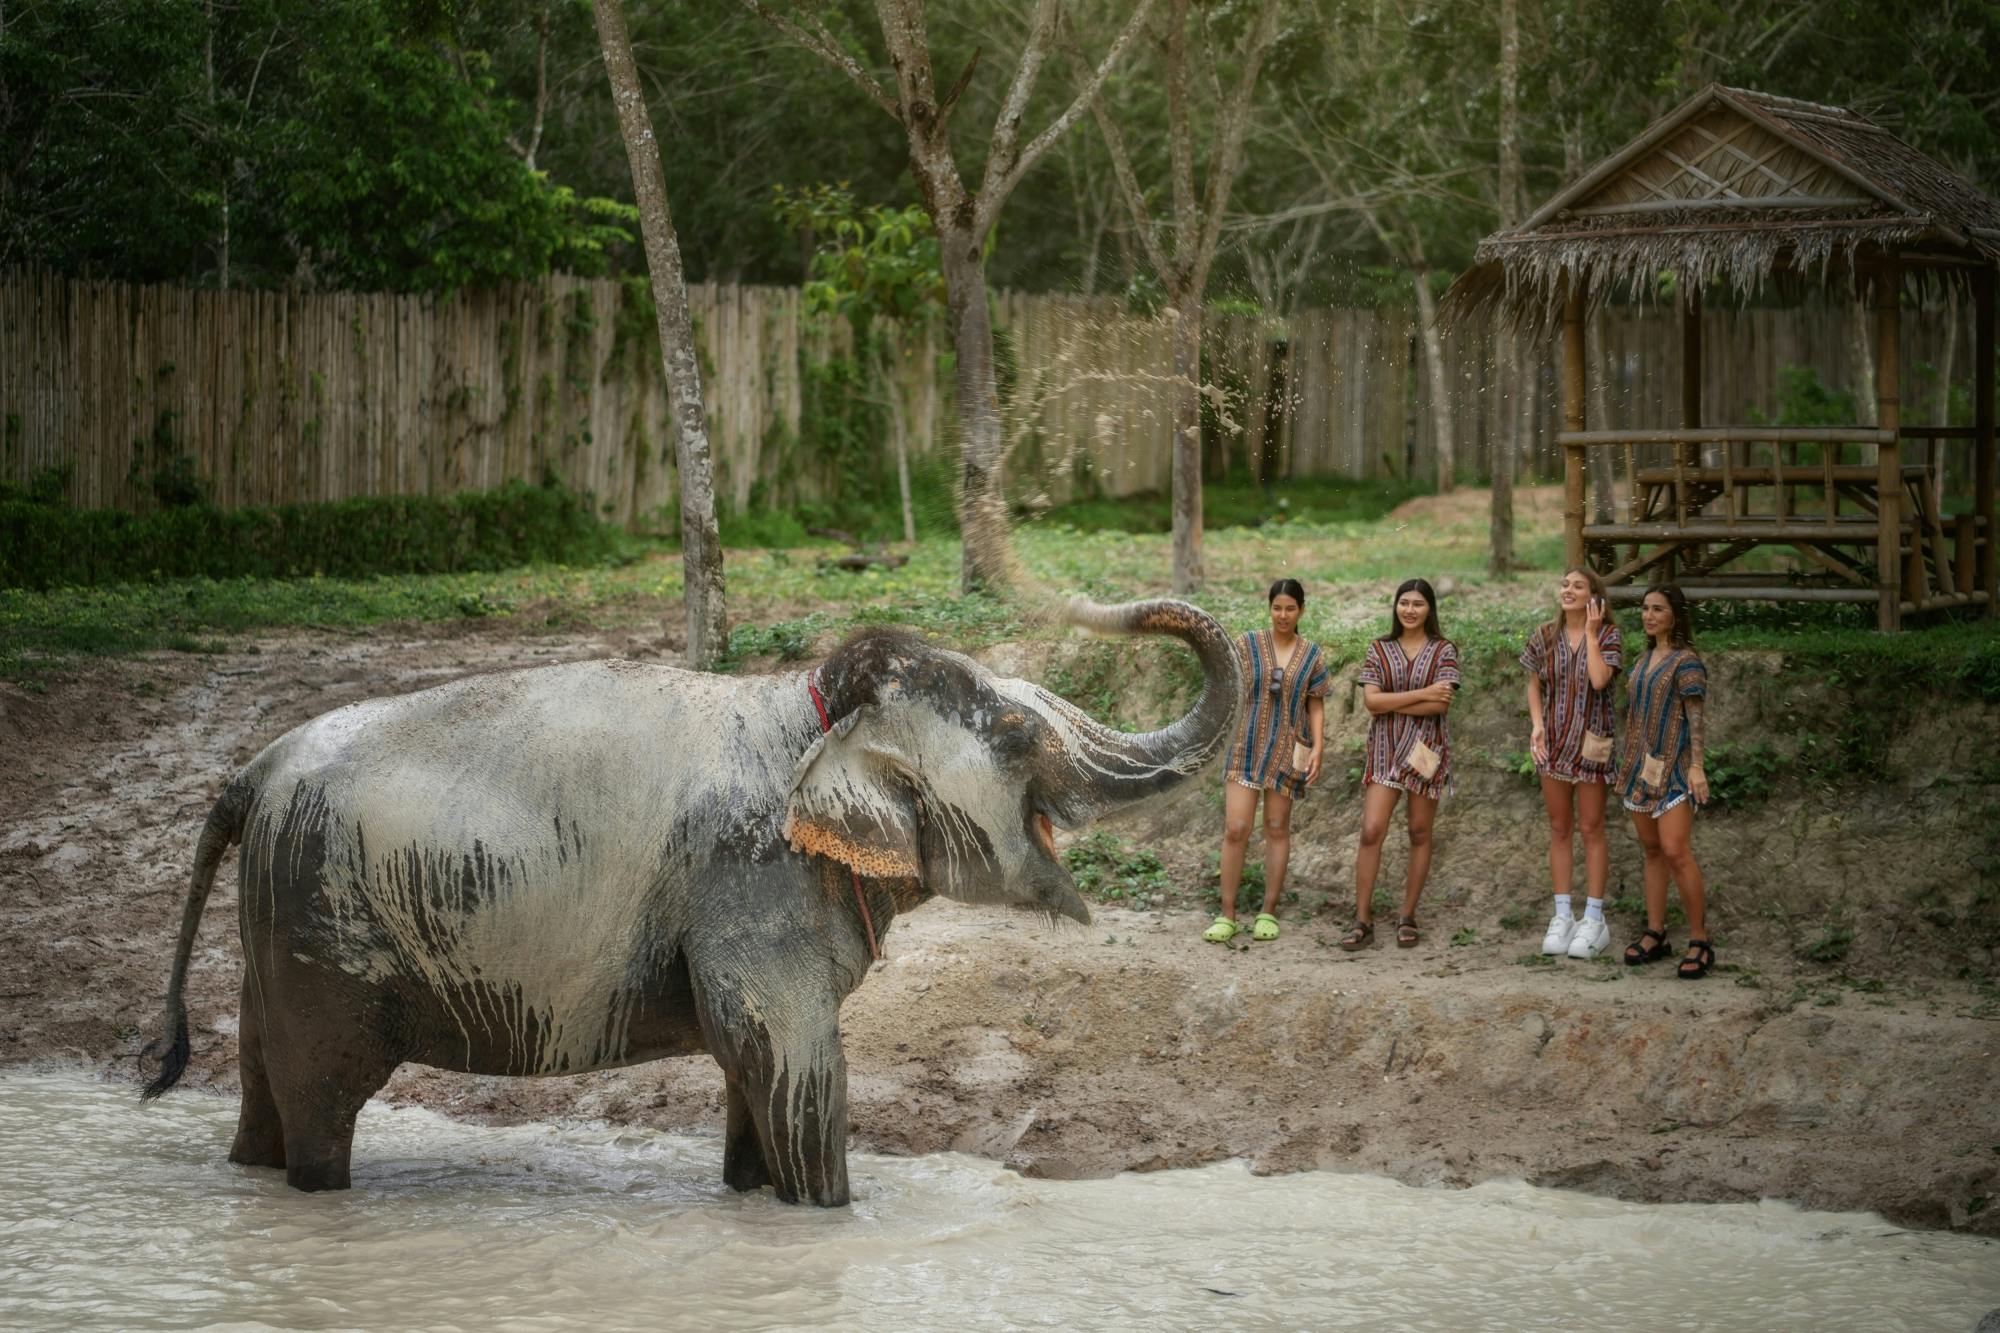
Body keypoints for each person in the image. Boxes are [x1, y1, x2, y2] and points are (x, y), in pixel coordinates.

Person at [1207, 578, 1329, 943]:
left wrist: (1320, 747)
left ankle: (1268, 911)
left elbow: (1316, 703)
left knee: (1277, 827)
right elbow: (1228, 687)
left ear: (1301, 610)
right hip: (1246, 745)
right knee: (1236, 828)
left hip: (1290, 748)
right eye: (1277, 607)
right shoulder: (1248, 645)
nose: (1283, 615)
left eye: (1291, 608)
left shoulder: (1311, 655)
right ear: (1269, 608)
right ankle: (1226, 914)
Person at [1340, 579, 1458, 952]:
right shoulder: (1380, 648)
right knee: (1372, 830)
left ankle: (1408, 915)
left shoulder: (1443, 650)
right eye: (1403, 603)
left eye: (1417, 604)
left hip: (1425, 751)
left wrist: (1393, 701)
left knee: (1420, 832)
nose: (1409, 610)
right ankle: (1363, 919)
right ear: (1396, 607)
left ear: (1429, 609)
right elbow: (1371, 704)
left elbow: (1441, 706)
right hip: (1385, 750)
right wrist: (1422, 693)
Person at [1521, 566, 1622, 960]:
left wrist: (1593, 633)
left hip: (1592, 744)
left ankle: (1594, 917)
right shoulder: (1545, 635)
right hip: (1555, 742)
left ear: (1594, 596)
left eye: (1578, 586)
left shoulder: (1609, 636)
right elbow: (1533, 684)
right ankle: (1563, 915)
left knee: (1591, 827)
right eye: (1565, 584)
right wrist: (1536, 725)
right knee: (1560, 828)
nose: (1568, 590)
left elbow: (1599, 680)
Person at [1616, 584, 1715, 979]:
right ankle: (1656, 932)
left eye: (1658, 609)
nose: (1649, 615)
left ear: (1675, 614)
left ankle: (1700, 939)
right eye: (1645, 608)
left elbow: (1696, 717)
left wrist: (1697, 766)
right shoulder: (1642, 660)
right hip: (1641, 771)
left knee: (1676, 851)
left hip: (1674, 770)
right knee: (1652, 851)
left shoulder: (1687, 662)